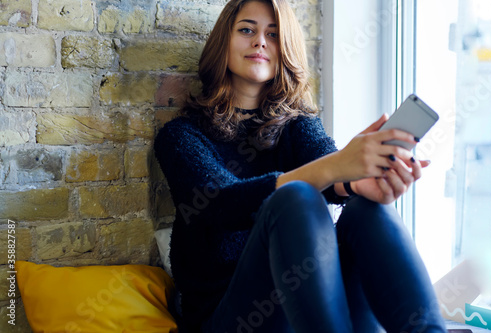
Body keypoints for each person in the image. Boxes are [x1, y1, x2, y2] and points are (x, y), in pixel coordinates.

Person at [154, 0, 447, 332]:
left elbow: (327, 170)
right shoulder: (181, 136)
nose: (260, 41)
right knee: (295, 198)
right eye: (247, 30)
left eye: (274, 34)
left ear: (285, 49)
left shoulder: (298, 126)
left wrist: (354, 183)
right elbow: (222, 204)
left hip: (307, 311)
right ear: (224, 42)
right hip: (229, 319)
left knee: (367, 210)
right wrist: (337, 166)